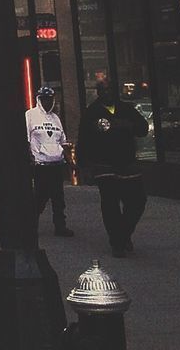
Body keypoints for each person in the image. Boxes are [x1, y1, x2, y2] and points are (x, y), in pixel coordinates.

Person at [76, 82, 149, 257]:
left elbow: (143, 129)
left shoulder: (126, 109)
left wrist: (129, 125)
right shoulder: (92, 113)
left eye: (110, 90)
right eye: (104, 91)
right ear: (98, 93)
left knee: (138, 201)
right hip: (104, 166)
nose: (108, 93)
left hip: (128, 164)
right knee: (110, 205)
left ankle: (123, 234)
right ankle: (117, 242)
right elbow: (83, 139)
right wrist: (83, 165)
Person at [26, 85, 74, 238]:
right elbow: (26, 140)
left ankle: (60, 226)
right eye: (44, 99)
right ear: (39, 99)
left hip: (57, 163)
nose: (47, 102)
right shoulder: (30, 115)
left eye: (50, 99)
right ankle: (31, 226)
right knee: (40, 197)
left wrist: (71, 163)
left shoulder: (56, 118)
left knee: (58, 198)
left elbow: (63, 142)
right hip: (40, 164)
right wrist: (29, 159)